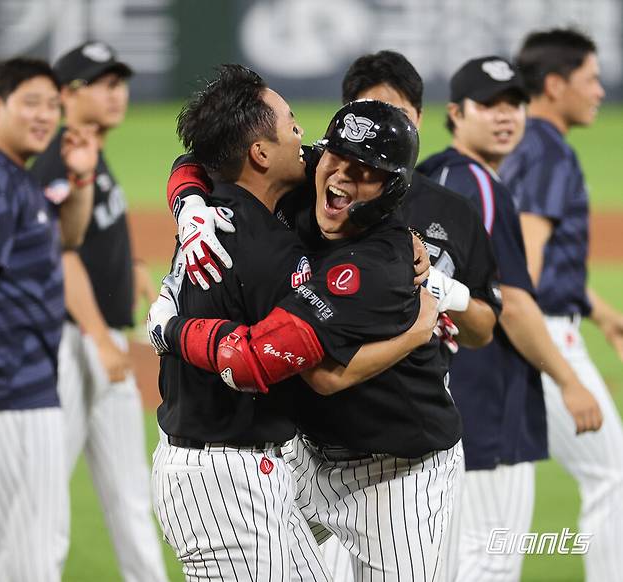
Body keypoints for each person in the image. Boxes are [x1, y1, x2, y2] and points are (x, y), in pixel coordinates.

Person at [151, 90, 465, 579]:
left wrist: (169, 329)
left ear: (391, 190)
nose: (341, 174)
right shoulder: (301, 176)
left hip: (396, 470)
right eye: (336, 156)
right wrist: (189, 202)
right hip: (302, 456)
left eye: (365, 171)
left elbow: (317, 376)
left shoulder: (378, 265)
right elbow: (206, 154)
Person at [316, 49, 504, 582]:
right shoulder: (314, 193)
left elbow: (485, 326)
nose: (375, 131)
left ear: (418, 120)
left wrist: (441, 290)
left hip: (413, 434)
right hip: (317, 441)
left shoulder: (452, 212)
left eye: (393, 114)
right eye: (363, 113)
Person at [418, 56, 602, 581]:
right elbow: (516, 302)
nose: (507, 116)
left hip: (442, 389)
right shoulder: (479, 186)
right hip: (482, 391)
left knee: (455, 553)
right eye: (491, 105)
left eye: (515, 104)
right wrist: (569, 381)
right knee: (489, 555)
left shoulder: (435, 172)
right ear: (457, 112)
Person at [29, 41, 168, 582]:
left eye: (119, 82)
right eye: (102, 83)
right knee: (40, 497)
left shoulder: (91, 152)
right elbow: (59, 258)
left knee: (130, 492)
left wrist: (131, 260)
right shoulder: (58, 159)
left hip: (97, 342)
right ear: (67, 94)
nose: (117, 94)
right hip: (66, 345)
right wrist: (99, 336)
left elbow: (97, 227)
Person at [0, 58, 96, 581]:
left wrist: (81, 178)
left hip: (11, 389)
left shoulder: (13, 179)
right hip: (12, 389)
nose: (45, 116)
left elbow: (68, 238)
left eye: (52, 106)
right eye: (32, 103)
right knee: (33, 556)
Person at [500, 28, 623, 581]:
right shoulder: (549, 155)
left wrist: (599, 311)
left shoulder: (525, 145)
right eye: (590, 79)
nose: (600, 90)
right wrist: (562, 372)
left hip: (535, 330)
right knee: (611, 476)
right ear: (554, 85)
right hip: (541, 336)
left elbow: (546, 264)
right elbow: (526, 263)